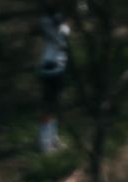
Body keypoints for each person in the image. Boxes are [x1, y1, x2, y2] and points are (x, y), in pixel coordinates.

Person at [36, 6, 70, 154]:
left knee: (55, 105)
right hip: (50, 65)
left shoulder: (60, 18)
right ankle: (45, 144)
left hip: (59, 66)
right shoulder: (47, 20)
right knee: (48, 106)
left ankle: (53, 138)